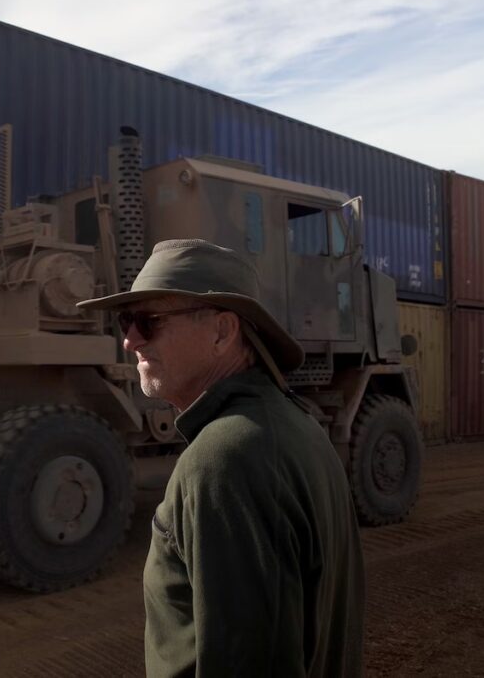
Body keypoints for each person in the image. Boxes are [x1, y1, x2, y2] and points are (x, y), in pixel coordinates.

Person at [77, 239, 365, 677]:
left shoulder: (226, 458)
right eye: (126, 320)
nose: (129, 339)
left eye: (148, 322)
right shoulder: (294, 428)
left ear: (222, 332)